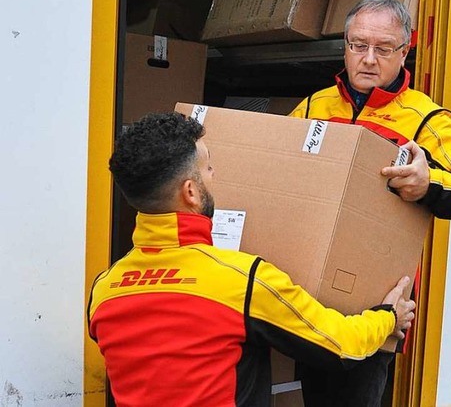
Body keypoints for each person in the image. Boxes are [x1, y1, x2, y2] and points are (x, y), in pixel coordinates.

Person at [87, 112, 416, 407]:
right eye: (208, 168)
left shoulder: (104, 289)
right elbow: (341, 344)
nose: (213, 175)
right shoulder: (241, 281)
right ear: (190, 191)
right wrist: (388, 316)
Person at [289, 0, 451, 407]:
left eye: (383, 49)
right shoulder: (313, 106)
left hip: (377, 302)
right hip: (308, 293)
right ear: (345, 46)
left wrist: (428, 183)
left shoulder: (426, 119)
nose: (368, 59)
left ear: (405, 52)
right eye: (357, 45)